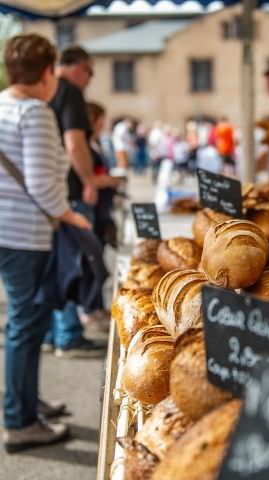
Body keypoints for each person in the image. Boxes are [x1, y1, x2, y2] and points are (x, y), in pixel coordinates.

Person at [0, 34, 91, 453]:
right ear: (47, 72)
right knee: (26, 325)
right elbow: (40, 182)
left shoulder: (2, 104)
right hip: (25, 234)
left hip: (7, 230)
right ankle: (19, 421)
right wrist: (71, 216)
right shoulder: (34, 111)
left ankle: (27, 402)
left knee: (25, 325)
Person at [46, 45, 106, 356]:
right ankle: (68, 335)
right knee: (74, 265)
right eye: (91, 72)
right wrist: (89, 181)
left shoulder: (45, 91)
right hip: (68, 193)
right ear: (79, 68)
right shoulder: (69, 92)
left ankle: (52, 334)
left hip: (46, 194)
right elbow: (75, 142)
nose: (89, 80)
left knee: (54, 265)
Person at [87, 101, 122, 250]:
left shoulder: (97, 143)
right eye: (102, 119)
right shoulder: (86, 146)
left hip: (103, 207)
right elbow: (90, 178)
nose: (104, 124)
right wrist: (110, 181)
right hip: (94, 208)